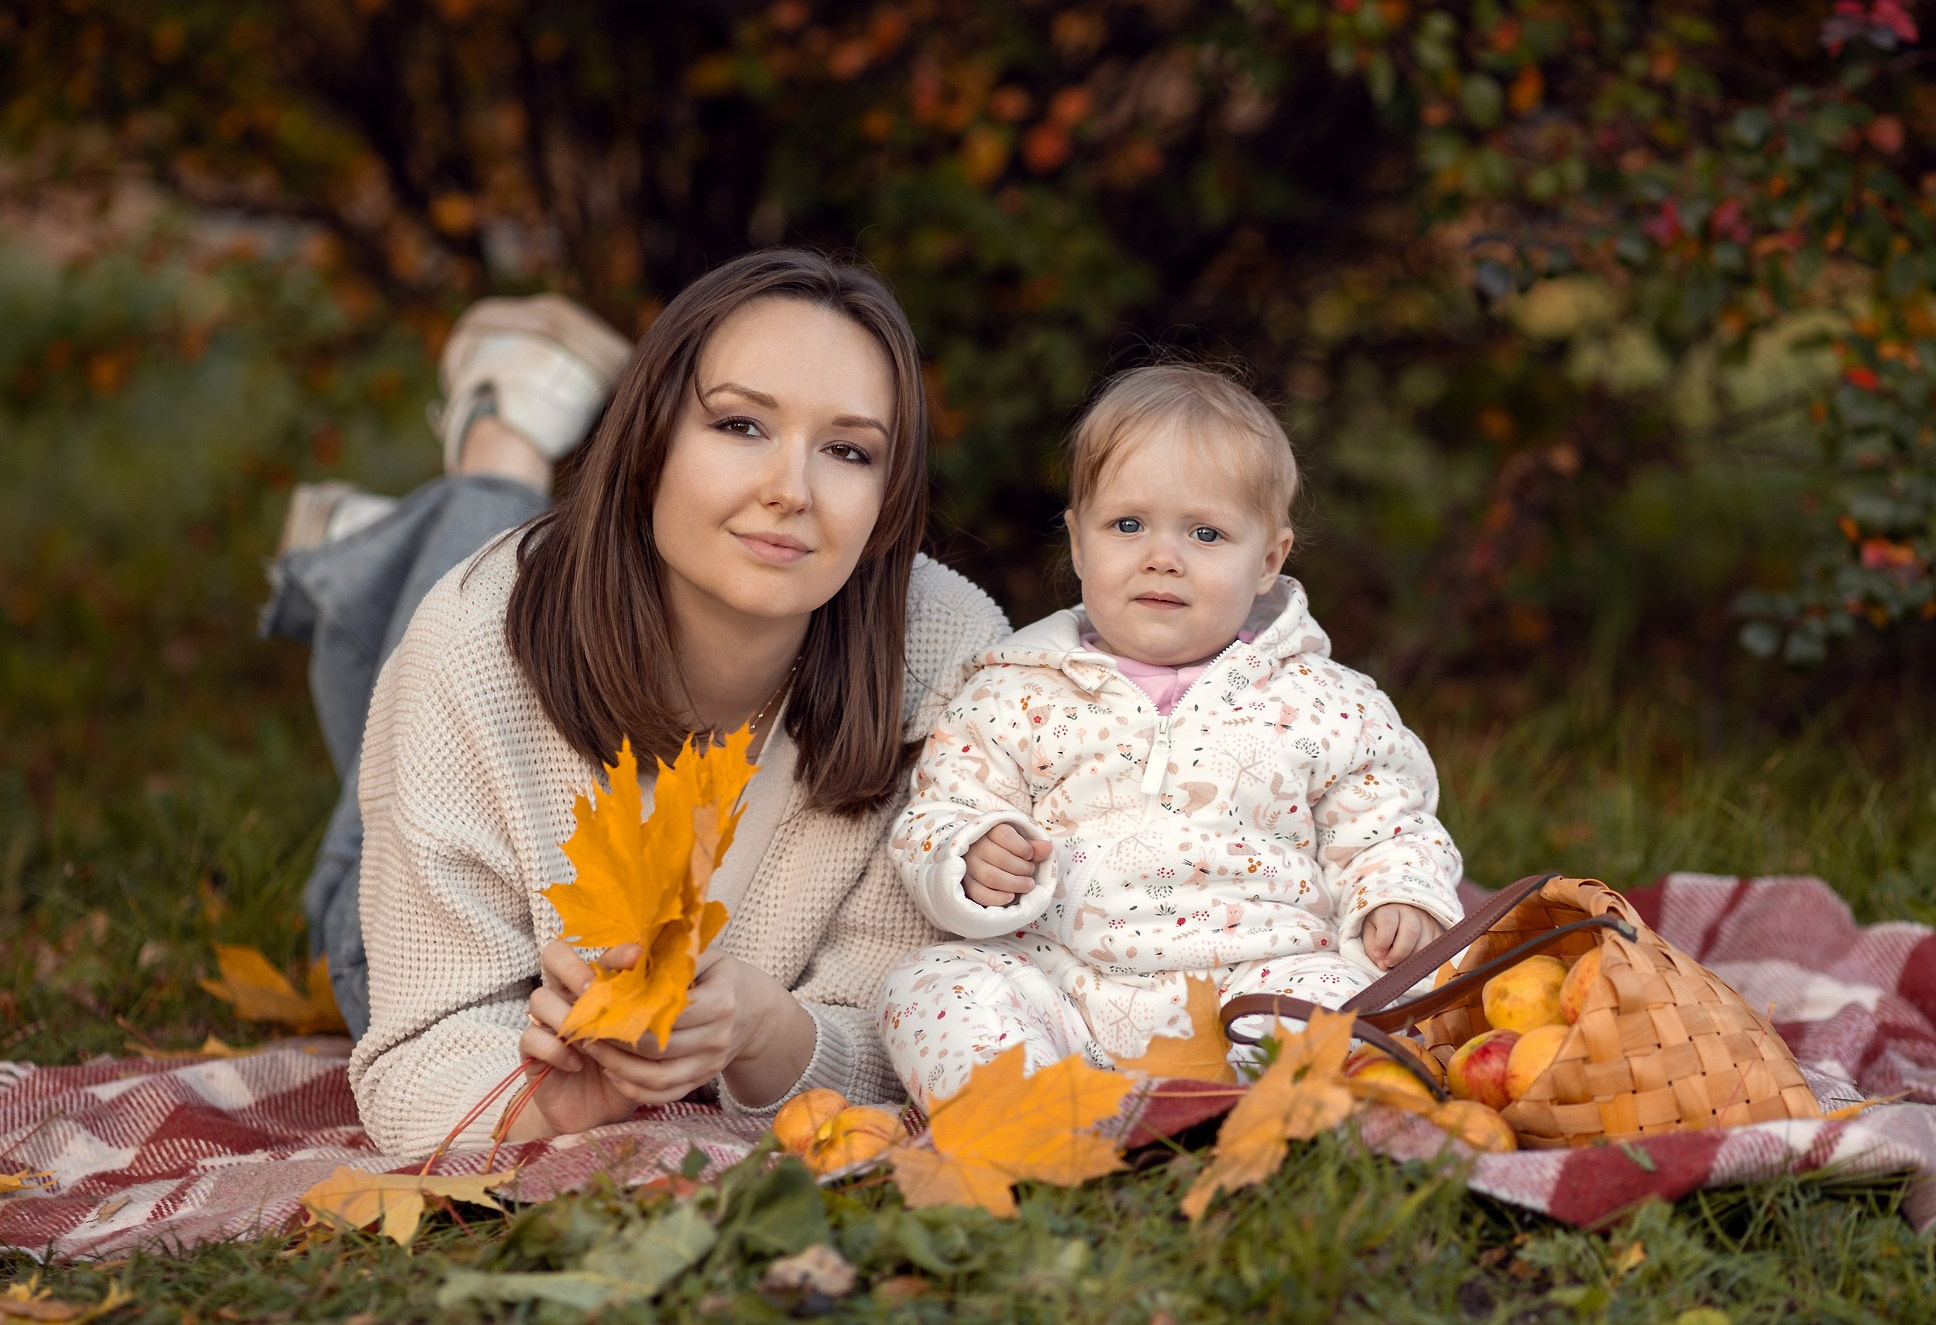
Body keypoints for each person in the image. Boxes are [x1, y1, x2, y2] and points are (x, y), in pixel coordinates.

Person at [263, 249, 1007, 1156]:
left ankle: (403, 528)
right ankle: (497, 454)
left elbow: (916, 1027)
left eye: (849, 450)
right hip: (452, 933)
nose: (790, 490)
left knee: (445, 608)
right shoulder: (474, 641)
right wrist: (549, 1102)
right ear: (650, 441)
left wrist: (769, 1031)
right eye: (740, 425)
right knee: (348, 877)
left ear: (888, 499)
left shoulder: (949, 657)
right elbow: (417, 1060)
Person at [878, 364, 1464, 1104]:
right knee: (929, 985)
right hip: (1065, 990)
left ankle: (1263, 1118)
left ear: (1269, 559)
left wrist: (1397, 897)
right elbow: (938, 811)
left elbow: (1389, 826)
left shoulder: (1327, 703)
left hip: (1257, 983)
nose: (1162, 556)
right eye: (1128, 525)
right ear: (1079, 543)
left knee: (1346, 1005)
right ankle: (1033, 1120)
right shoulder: (1012, 691)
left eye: (1206, 533)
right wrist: (969, 854)